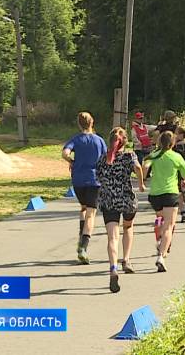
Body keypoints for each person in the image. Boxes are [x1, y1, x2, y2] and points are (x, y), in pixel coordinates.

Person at [96, 128, 145, 293]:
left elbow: (98, 176)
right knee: (128, 227)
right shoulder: (129, 156)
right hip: (126, 199)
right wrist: (141, 183)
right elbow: (138, 168)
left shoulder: (103, 158)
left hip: (109, 200)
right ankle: (127, 259)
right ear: (125, 141)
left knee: (112, 237)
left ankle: (113, 268)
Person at [62, 112, 107, 264]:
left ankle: (81, 236)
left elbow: (65, 153)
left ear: (79, 124)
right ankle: (83, 247)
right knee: (91, 214)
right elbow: (106, 158)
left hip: (78, 180)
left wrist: (71, 161)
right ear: (92, 123)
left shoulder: (76, 139)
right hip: (95, 180)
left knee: (83, 208)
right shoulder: (99, 140)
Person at [143, 131, 185, 272]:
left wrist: (143, 179)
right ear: (172, 143)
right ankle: (161, 256)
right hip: (170, 193)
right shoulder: (176, 156)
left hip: (155, 194)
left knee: (159, 218)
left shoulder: (154, 154)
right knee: (169, 226)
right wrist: (183, 181)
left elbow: (145, 166)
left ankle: (159, 238)